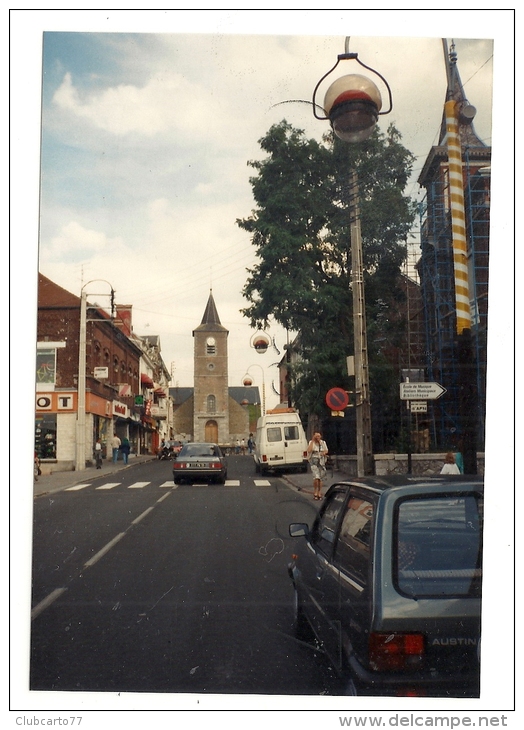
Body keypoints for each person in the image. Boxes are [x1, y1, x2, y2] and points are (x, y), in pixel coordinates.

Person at [307, 432, 329, 500]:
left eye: (319, 436)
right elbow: (309, 450)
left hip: (321, 461)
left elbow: (326, 450)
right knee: (316, 477)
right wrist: (313, 441)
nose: (318, 438)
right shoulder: (311, 442)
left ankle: (319, 492)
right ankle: (315, 491)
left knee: (320, 478)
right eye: (316, 436)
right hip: (314, 460)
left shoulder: (323, 443)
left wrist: (323, 453)